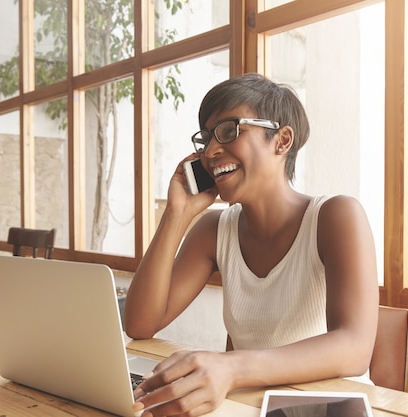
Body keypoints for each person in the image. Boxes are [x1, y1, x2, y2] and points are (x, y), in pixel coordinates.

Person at [124, 72, 379, 417]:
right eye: (206, 138)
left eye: (229, 131)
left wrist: (230, 367)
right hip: (255, 410)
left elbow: (354, 348)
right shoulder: (215, 230)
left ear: (282, 141)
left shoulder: (336, 216)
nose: (212, 150)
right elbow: (140, 324)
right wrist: (176, 215)